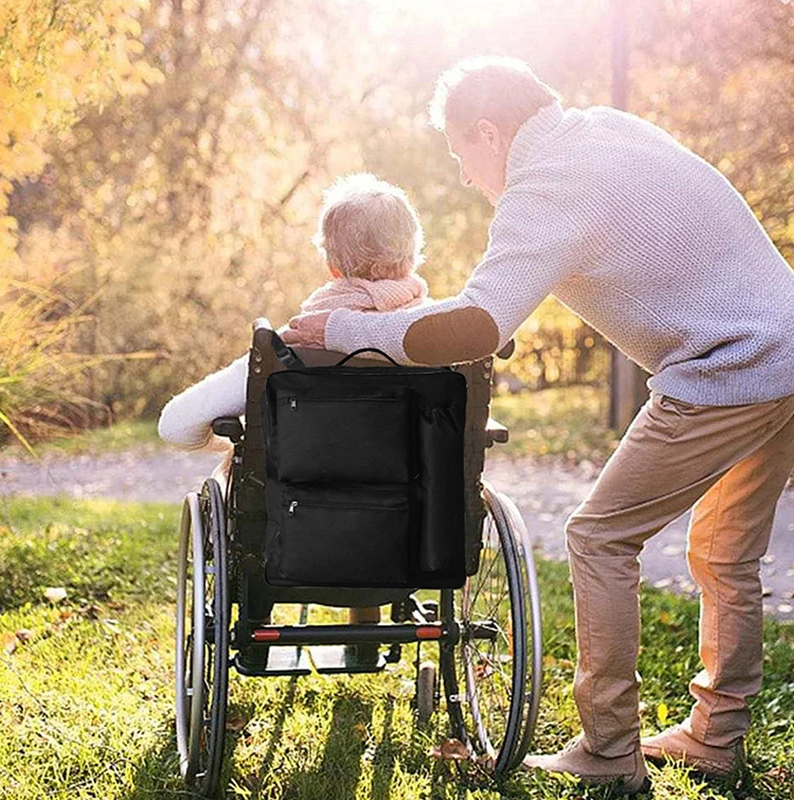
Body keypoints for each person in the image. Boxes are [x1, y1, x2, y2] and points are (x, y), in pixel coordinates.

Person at [281, 56, 794, 793]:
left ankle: (610, 749)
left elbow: (477, 324)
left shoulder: (544, 187)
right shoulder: (603, 132)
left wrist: (342, 329)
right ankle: (716, 735)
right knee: (725, 550)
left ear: (489, 131)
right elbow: (490, 306)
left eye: (462, 152)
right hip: (787, 343)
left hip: (730, 367)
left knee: (599, 535)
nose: (464, 174)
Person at [158, 172, 432, 634]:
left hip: (295, 540)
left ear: (332, 266)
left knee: (247, 478)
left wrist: (228, 445)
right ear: (412, 255)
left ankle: (256, 616)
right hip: (411, 539)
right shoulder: (439, 345)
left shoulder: (289, 348)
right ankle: (365, 624)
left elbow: (175, 424)